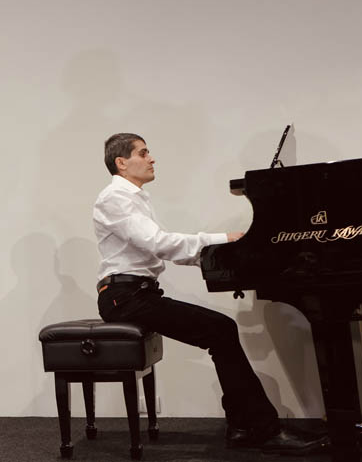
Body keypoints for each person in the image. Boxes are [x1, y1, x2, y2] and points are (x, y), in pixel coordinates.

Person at [93, 133, 326, 454]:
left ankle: (244, 426)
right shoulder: (115, 198)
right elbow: (160, 244)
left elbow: (162, 247)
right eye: (143, 153)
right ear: (122, 162)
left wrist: (225, 247)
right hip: (124, 297)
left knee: (221, 330)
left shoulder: (132, 198)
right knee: (220, 329)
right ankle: (262, 429)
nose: (151, 158)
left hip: (136, 294)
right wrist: (224, 240)